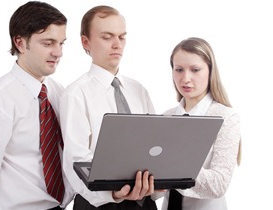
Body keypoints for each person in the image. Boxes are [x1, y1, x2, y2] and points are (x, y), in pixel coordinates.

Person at [59, 5, 161, 210]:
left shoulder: (138, 90)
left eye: (122, 37)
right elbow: (76, 161)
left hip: (144, 203)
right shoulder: (76, 93)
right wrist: (112, 193)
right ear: (85, 42)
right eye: (107, 37)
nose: (117, 45)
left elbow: (156, 145)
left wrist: (158, 184)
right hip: (101, 203)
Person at [0, 1, 73, 209]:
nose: (58, 53)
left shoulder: (58, 92)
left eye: (61, 43)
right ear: (20, 43)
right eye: (48, 43)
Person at [161, 37, 242, 210]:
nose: (186, 78)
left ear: (210, 71)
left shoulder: (225, 117)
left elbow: (219, 184)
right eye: (179, 70)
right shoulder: (166, 118)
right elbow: (157, 187)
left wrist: (171, 166)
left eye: (195, 70)